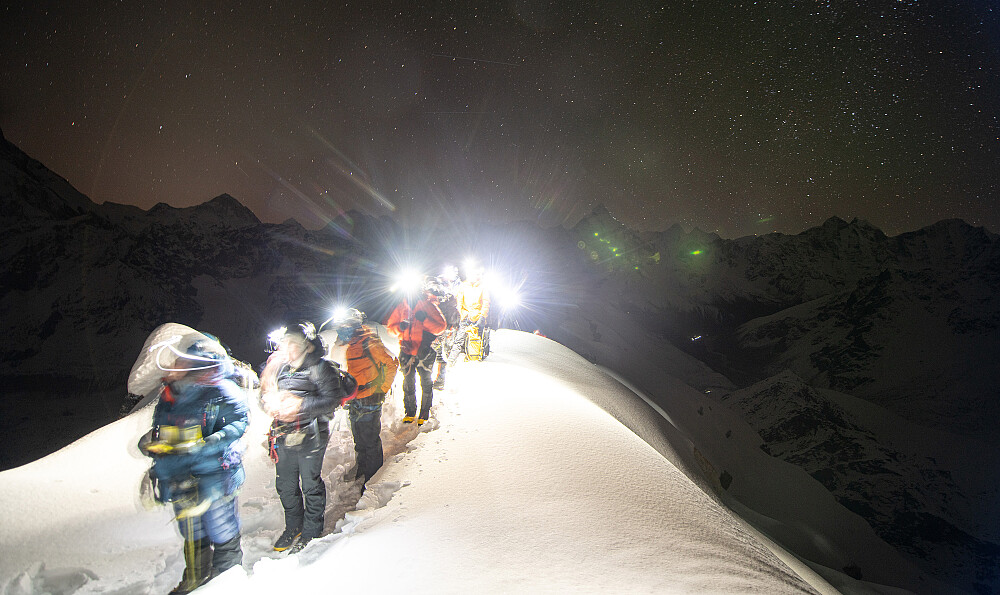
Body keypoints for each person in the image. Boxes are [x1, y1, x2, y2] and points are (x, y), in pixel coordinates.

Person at [139, 333, 250, 594]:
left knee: (221, 526)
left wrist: (209, 442)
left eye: (184, 361)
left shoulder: (221, 390)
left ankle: (227, 581)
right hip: (179, 475)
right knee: (192, 530)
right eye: (179, 360)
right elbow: (162, 429)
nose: (177, 365)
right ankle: (195, 579)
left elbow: (238, 424)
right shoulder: (171, 393)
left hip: (214, 474)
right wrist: (153, 444)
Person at [260, 321, 356, 553]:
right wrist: (269, 403)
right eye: (285, 343)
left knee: (310, 483)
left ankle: (312, 530)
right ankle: (293, 526)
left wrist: (300, 404)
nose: (287, 348)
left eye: (293, 343)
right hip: (283, 433)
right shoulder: (281, 368)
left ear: (308, 346)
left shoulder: (320, 368)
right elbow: (264, 397)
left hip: (312, 433)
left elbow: (331, 400)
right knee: (285, 485)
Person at [333, 308, 398, 485]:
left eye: (344, 326)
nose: (341, 330)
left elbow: (391, 365)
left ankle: (373, 477)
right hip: (354, 399)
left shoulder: (369, 342)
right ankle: (362, 467)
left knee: (370, 440)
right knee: (359, 438)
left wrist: (381, 390)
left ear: (354, 326)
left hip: (370, 398)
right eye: (340, 326)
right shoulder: (346, 344)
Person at [385, 283, 447, 424]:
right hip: (406, 350)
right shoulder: (401, 307)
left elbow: (441, 327)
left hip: (423, 351)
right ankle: (410, 412)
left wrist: (425, 320)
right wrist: (400, 328)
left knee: (425, 382)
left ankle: (424, 413)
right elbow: (390, 329)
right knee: (408, 382)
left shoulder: (428, 305)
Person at [448, 264, 491, 365]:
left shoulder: (483, 287)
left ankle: (477, 357)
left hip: (477, 316)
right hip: (466, 316)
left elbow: (486, 302)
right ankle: (451, 360)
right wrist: (462, 313)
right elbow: (459, 301)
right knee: (459, 338)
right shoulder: (463, 286)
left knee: (477, 339)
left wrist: (482, 316)